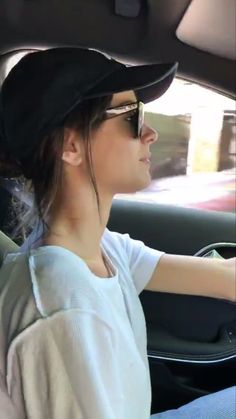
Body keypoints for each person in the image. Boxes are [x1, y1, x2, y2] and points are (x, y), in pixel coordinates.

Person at [0, 47, 235, 419]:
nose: (151, 133)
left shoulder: (101, 248)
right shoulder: (61, 307)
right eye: (132, 116)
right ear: (71, 146)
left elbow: (226, 277)